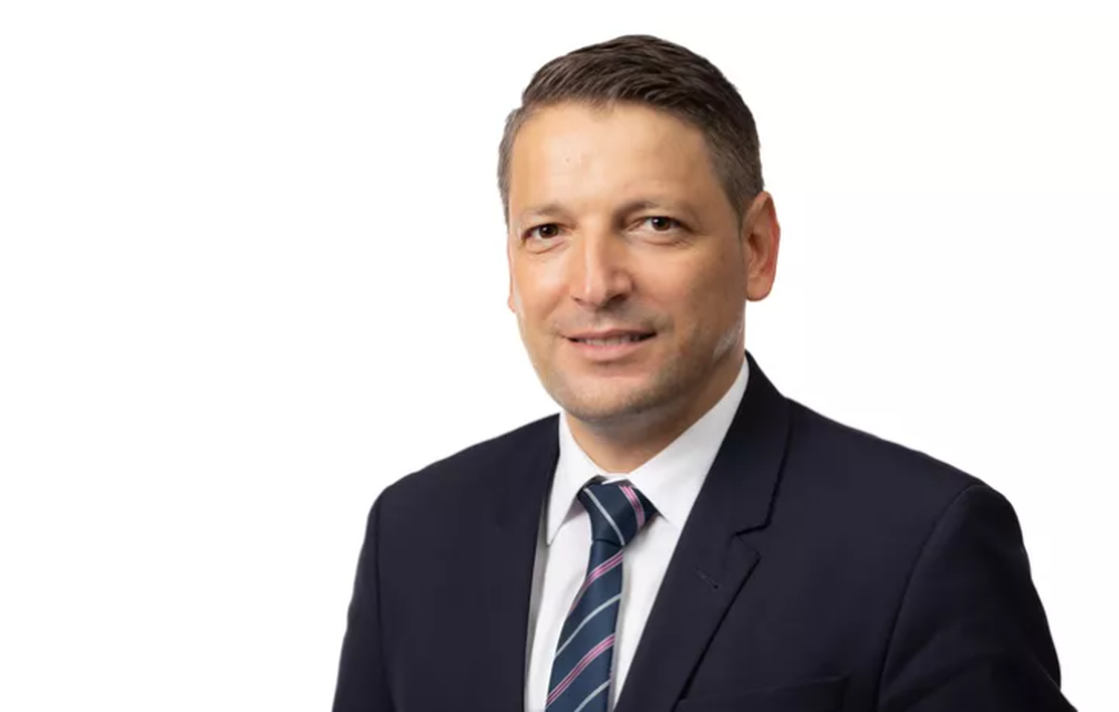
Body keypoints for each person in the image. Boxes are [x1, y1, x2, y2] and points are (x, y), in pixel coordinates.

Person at [332, 34, 1074, 712]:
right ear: (511, 267)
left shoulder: (920, 545)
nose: (595, 284)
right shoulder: (414, 534)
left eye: (655, 224)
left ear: (756, 249)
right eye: (548, 231)